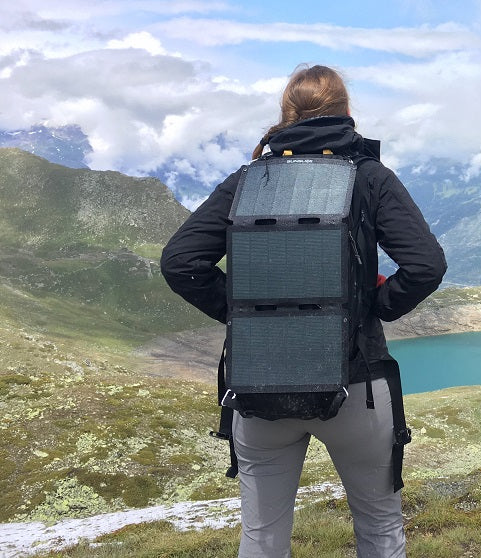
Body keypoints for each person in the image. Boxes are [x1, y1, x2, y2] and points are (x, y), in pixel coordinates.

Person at [160, 65, 447, 558]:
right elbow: (425, 266)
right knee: (379, 528)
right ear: (347, 112)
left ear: (286, 114)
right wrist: (370, 309)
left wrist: (247, 314)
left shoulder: (247, 180)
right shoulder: (370, 177)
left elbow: (180, 262)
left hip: (258, 389)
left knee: (262, 535)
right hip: (357, 386)